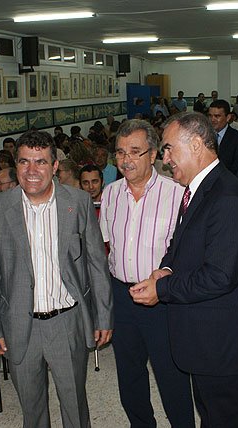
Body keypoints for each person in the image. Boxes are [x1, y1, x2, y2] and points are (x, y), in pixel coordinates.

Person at [130, 112, 238, 428]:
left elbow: (219, 276)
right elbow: (184, 246)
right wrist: (164, 269)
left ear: (195, 145)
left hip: (223, 344)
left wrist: (161, 290)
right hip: (206, 341)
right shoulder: (202, 190)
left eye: (168, 149)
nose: (164, 160)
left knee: (227, 419)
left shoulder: (228, 198)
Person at [0, 130, 113, 428]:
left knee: (75, 405)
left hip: (67, 323)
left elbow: (96, 265)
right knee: (32, 410)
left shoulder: (77, 202)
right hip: (18, 326)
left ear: (55, 167)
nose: (32, 171)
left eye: (41, 162)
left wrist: (103, 317)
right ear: (16, 166)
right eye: (24, 162)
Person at [99, 119, 194, 428]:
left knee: (171, 373)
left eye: (135, 152)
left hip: (161, 299)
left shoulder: (176, 194)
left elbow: (186, 253)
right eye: (121, 152)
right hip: (122, 296)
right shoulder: (110, 194)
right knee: (129, 373)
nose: (126, 160)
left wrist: (163, 278)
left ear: (153, 154)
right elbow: (106, 247)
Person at [209, 99, 238, 175]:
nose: (212, 119)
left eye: (217, 116)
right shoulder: (203, 137)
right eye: (210, 116)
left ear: (228, 117)